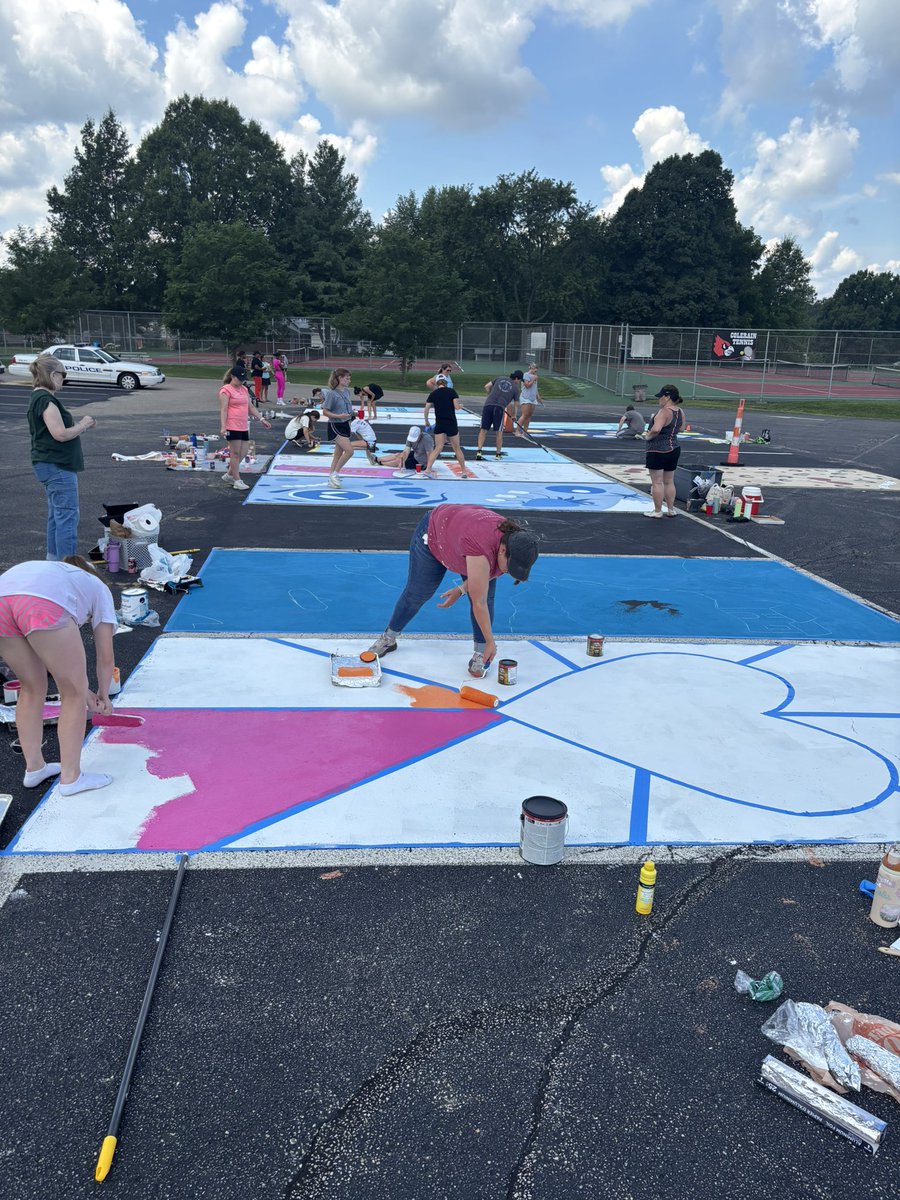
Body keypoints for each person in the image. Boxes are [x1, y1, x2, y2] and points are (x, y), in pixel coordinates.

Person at [367, 504, 540, 677]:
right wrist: (490, 642)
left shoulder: (514, 542)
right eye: (509, 568)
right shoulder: (482, 546)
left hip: (462, 536)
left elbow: (480, 579)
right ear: (502, 550)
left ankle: (480, 653)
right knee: (418, 593)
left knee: (486, 597)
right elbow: (478, 602)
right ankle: (389, 637)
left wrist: (460, 589)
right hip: (435, 534)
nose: (507, 572)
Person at [0, 556, 117, 796]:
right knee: (72, 695)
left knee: (31, 687)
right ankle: (71, 777)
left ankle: (34, 768)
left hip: (3, 599)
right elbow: (105, 656)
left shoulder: (61, 575)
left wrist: (85, 691)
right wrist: (103, 695)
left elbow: (49, 657)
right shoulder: (99, 588)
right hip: (42, 603)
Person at [28, 354, 98, 560]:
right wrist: (83, 425)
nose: (64, 378)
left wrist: (81, 427)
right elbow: (60, 434)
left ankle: (54, 562)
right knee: (67, 517)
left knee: (57, 515)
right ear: (52, 375)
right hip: (57, 466)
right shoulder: (45, 400)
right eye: (63, 374)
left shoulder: (39, 398)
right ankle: (67, 566)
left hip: (50, 464)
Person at [219, 369, 272, 490]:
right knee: (235, 454)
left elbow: (250, 406)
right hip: (232, 425)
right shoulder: (225, 390)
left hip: (243, 425)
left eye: (243, 379)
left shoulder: (244, 389)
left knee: (244, 452)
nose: (242, 382)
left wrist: (261, 419)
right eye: (240, 379)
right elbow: (224, 409)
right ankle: (237, 480)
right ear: (233, 376)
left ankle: (229, 475)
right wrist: (223, 426)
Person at [642, 384, 686, 518]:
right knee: (669, 481)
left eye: (660, 396)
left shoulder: (664, 411)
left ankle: (657, 511)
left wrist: (648, 436)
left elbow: (656, 429)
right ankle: (671, 509)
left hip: (658, 450)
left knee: (657, 482)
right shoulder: (680, 411)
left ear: (667, 397)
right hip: (674, 449)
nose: (659, 399)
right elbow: (682, 428)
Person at [422, 376, 470, 478]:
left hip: (440, 423)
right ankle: (463, 472)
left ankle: (427, 469)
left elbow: (426, 409)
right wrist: (461, 406)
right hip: (451, 423)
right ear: (446, 382)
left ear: (436, 383)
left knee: (438, 448)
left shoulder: (433, 394)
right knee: (457, 448)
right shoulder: (452, 392)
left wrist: (426, 421)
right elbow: (457, 407)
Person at [320, 368, 357, 488]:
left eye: (349, 378)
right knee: (350, 451)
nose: (349, 380)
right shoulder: (332, 394)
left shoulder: (347, 392)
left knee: (338, 454)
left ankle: (331, 477)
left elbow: (345, 408)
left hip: (345, 423)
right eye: (347, 378)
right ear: (340, 378)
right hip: (336, 425)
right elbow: (325, 411)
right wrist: (339, 416)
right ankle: (335, 474)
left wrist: (352, 413)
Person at [475, 371, 523, 461]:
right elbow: (516, 403)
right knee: (499, 431)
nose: (519, 382)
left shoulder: (500, 378)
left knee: (483, 429)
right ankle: (498, 454)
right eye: (520, 380)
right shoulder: (516, 389)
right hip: (499, 408)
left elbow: (487, 386)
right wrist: (514, 415)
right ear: (516, 378)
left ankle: (479, 451)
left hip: (488, 405)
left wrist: (490, 395)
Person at [516, 364, 542, 436]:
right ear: (532, 368)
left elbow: (535, 388)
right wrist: (533, 379)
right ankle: (517, 431)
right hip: (526, 397)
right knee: (524, 415)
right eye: (535, 369)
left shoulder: (535, 376)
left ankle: (525, 431)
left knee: (529, 415)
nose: (536, 371)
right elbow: (527, 385)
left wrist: (538, 397)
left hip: (532, 398)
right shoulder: (526, 375)